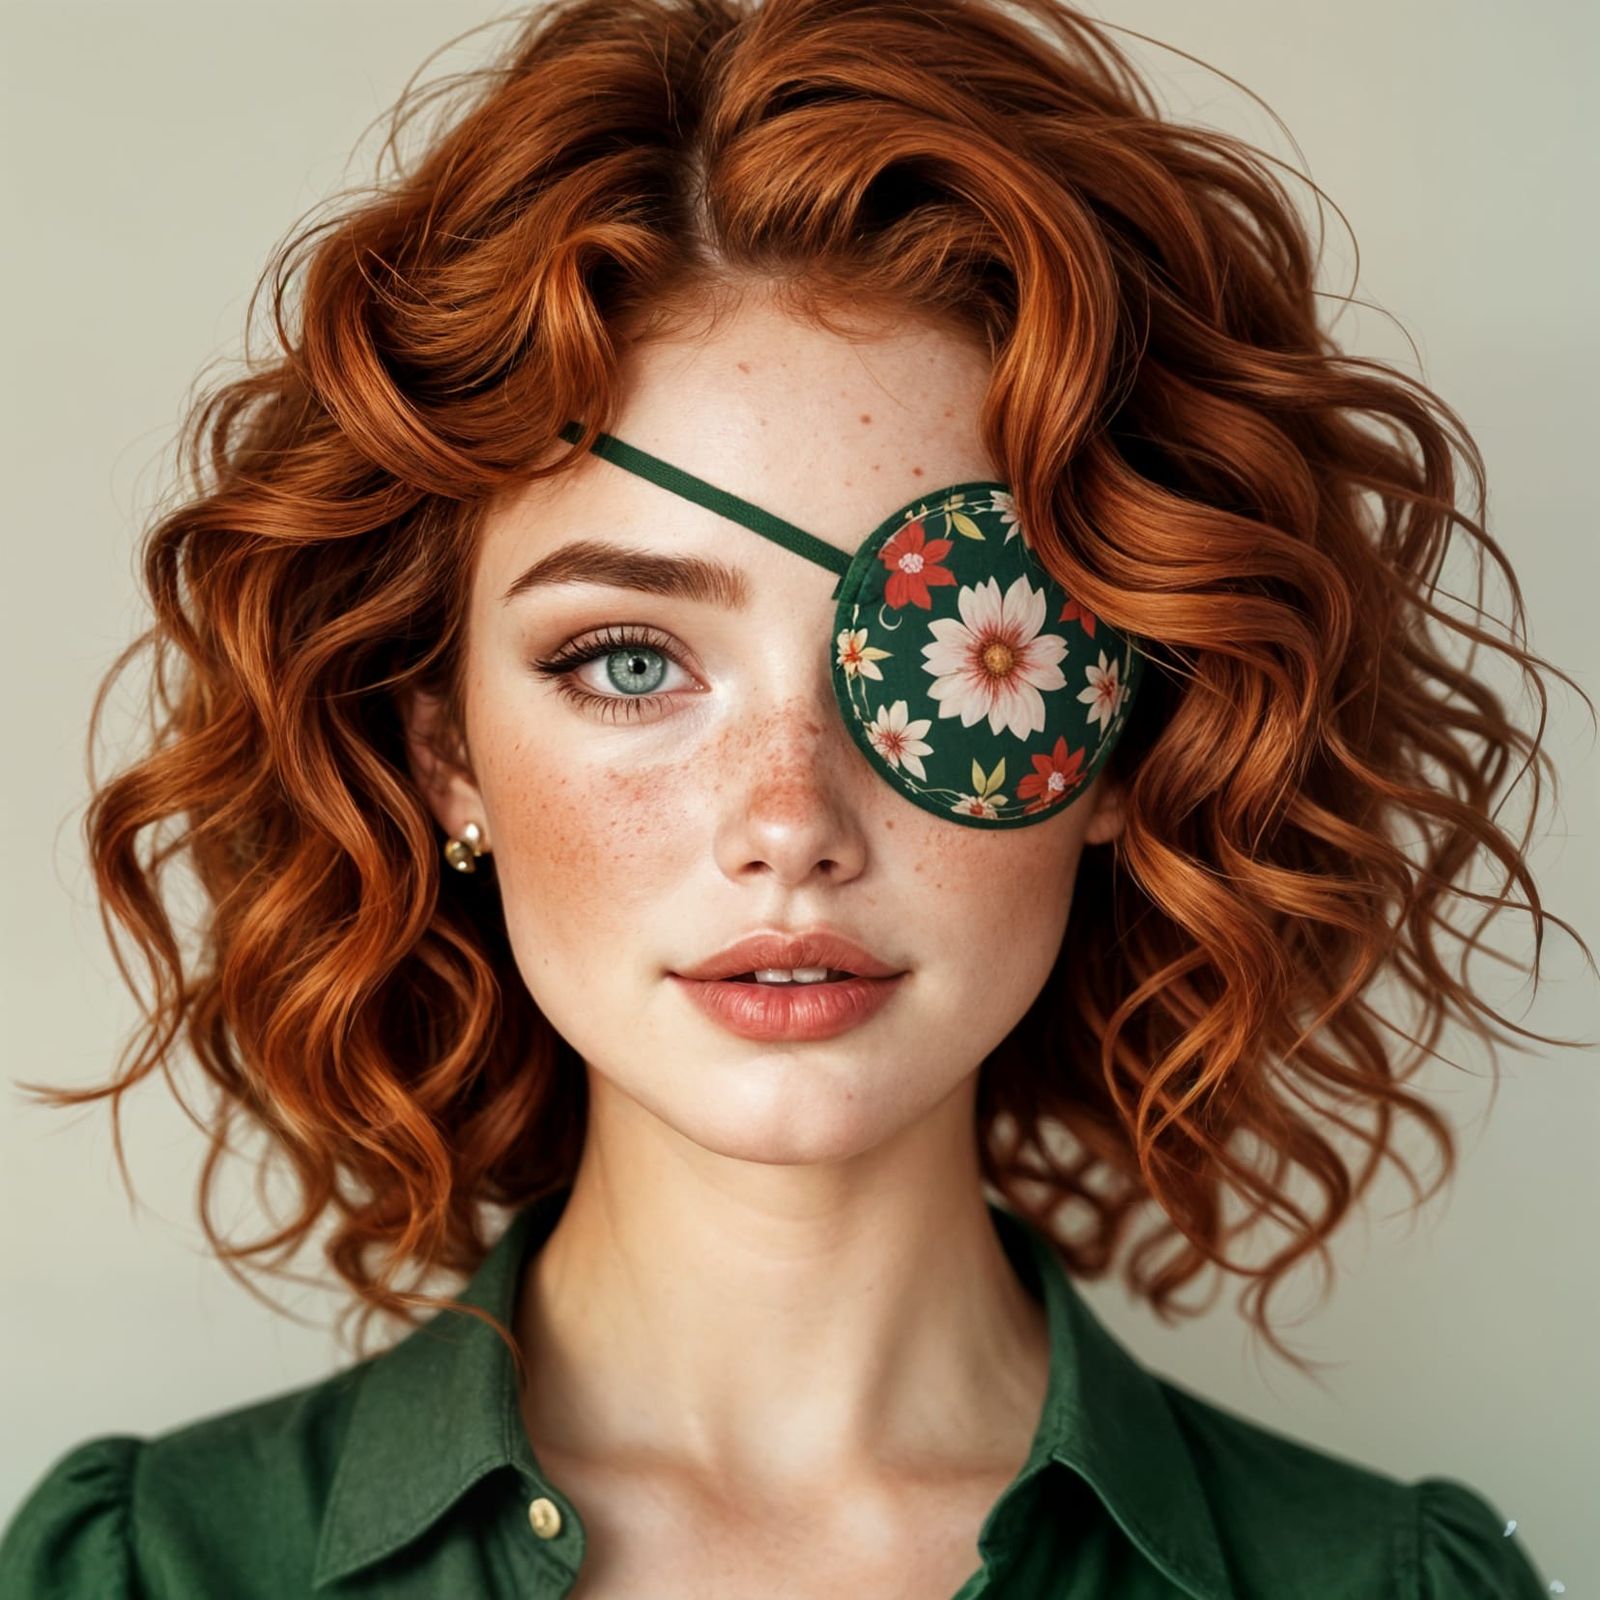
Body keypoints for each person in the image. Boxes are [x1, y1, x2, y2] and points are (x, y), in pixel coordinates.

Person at [1, 0, 1584, 1594]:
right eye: (629, 662)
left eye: (959, 658)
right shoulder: (149, 1570)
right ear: (443, 754)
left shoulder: (1393, 1583)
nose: (790, 824)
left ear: (1127, 729)